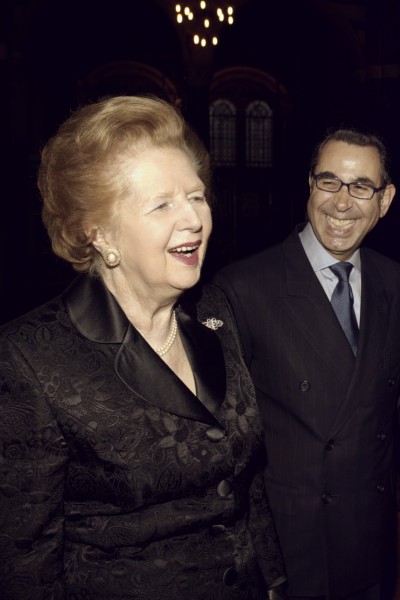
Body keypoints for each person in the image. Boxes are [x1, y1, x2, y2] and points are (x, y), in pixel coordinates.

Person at [0, 95, 286, 599]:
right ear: (101, 233)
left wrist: (273, 583)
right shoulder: (29, 358)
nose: (194, 219)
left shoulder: (214, 311)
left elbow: (245, 483)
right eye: (162, 204)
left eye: (197, 196)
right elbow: (24, 563)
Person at [213, 127, 400, 600]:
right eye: (329, 181)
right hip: (292, 553)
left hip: (372, 544)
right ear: (309, 186)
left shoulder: (395, 283)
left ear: (385, 200)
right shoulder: (243, 288)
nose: (342, 202)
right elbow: (225, 451)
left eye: (361, 187)